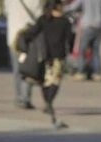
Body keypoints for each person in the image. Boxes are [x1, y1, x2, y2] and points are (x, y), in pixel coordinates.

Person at [21, 0, 72, 128]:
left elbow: (32, 32)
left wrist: (24, 40)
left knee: (45, 81)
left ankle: (47, 102)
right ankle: (49, 102)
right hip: (58, 56)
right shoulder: (65, 22)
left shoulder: (44, 19)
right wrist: (70, 51)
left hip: (44, 55)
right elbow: (69, 39)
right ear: (58, 6)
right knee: (55, 81)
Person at [5, 0, 43, 109]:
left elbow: (6, 12)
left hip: (13, 36)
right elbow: (39, 15)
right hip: (28, 37)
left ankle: (19, 96)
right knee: (28, 67)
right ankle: (25, 97)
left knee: (17, 69)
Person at [65, 0, 101, 81]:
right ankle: (97, 73)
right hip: (98, 26)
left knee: (81, 50)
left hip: (87, 26)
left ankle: (81, 72)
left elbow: (71, 8)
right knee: (96, 51)